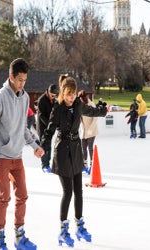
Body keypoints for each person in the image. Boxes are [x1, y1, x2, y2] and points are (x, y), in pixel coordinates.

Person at [0, 58, 44, 250]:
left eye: (25, 80)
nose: (23, 84)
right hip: (1, 155)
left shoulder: (24, 98)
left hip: (17, 156)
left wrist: (34, 146)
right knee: (4, 197)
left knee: (22, 195)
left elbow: (23, 127)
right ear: (11, 77)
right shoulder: (0, 97)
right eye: (20, 80)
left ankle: (19, 236)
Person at [40, 75, 108, 247]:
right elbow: (49, 131)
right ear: (63, 93)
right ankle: (63, 230)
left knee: (79, 191)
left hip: (76, 151)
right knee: (68, 192)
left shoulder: (78, 104)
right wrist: (42, 147)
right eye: (68, 94)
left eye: (73, 94)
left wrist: (103, 110)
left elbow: (91, 111)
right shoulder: (58, 108)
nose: (71, 97)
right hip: (62, 152)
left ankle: (80, 226)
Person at [36, 83, 59, 173]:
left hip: (50, 126)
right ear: (48, 92)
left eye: (55, 95)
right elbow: (41, 115)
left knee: (49, 145)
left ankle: (48, 164)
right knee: (44, 145)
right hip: (42, 127)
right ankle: (44, 165)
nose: (53, 96)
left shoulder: (54, 100)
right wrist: (50, 124)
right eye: (52, 95)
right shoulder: (42, 100)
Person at [80, 92, 98, 174]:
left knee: (90, 147)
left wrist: (90, 128)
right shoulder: (80, 105)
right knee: (83, 148)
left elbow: (95, 117)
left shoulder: (92, 105)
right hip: (83, 131)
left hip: (91, 130)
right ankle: (85, 165)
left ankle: (92, 165)